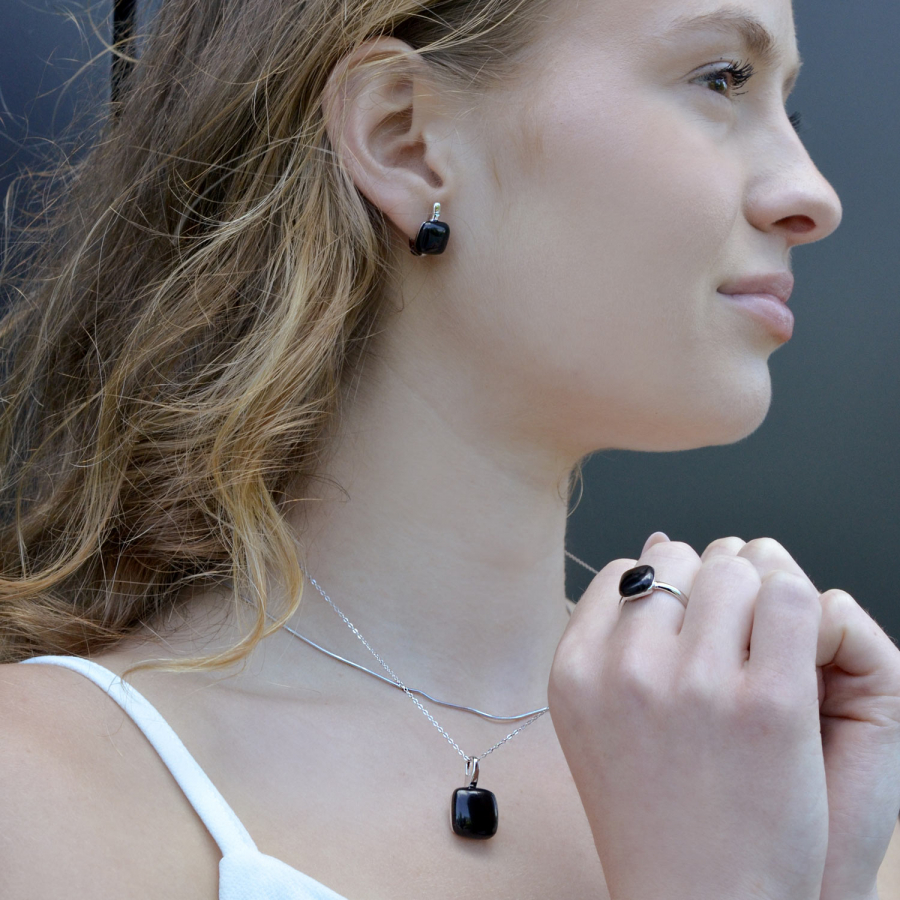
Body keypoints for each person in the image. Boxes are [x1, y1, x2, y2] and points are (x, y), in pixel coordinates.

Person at [1, 0, 899, 897]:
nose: (812, 194)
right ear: (405, 139)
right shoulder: (39, 794)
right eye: (722, 81)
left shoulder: (799, 782)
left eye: (788, 106)